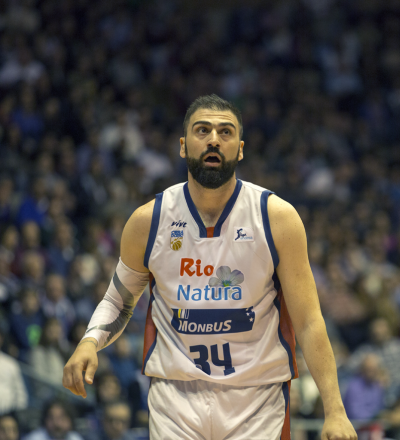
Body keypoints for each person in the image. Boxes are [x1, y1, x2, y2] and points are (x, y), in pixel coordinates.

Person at [63, 94, 357, 439]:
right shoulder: (148, 221)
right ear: (183, 146)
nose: (214, 139)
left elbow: (309, 321)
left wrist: (335, 410)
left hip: (257, 401)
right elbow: (118, 301)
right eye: (202, 130)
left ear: (241, 148)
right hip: (175, 401)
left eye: (225, 132)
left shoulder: (277, 218)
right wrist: (88, 342)